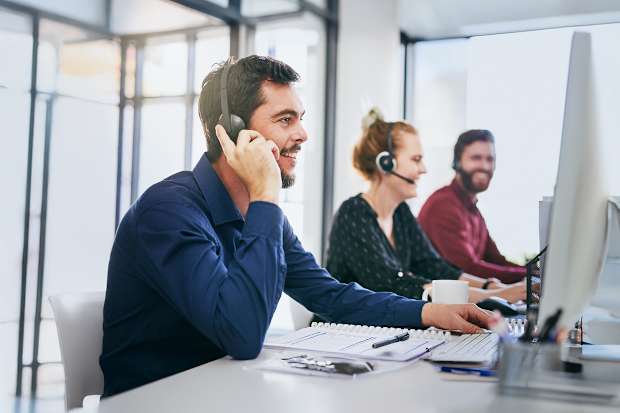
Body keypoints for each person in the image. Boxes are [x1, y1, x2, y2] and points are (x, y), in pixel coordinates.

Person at [100, 56, 492, 397]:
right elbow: (242, 334)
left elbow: (330, 295)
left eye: (300, 118)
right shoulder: (169, 211)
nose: (302, 134)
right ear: (235, 129)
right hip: (158, 401)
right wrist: (266, 194)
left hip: (226, 391)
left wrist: (429, 314)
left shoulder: (257, 213)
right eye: (285, 120)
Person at [325, 109, 526, 304]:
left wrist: (490, 287)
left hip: (381, 332)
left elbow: (434, 267)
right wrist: (500, 295)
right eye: (416, 160)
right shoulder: (353, 214)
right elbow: (394, 285)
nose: (424, 169)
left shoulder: (400, 214)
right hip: (344, 333)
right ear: (386, 163)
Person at [418, 129, 527, 283]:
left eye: (490, 159)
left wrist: (532, 273)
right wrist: (528, 277)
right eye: (476, 158)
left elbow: (497, 261)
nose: (484, 166)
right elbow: (468, 269)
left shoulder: (473, 210)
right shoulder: (442, 205)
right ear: (457, 162)